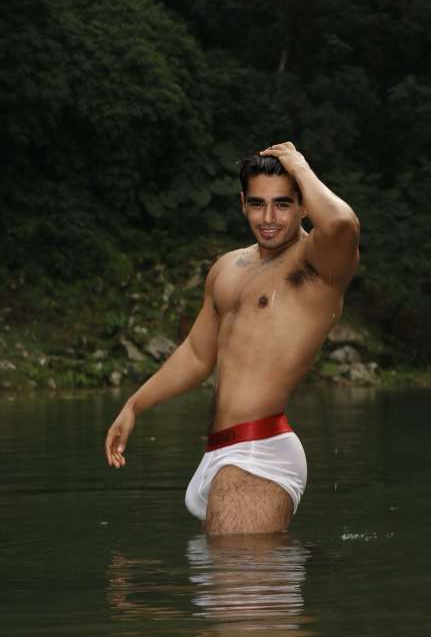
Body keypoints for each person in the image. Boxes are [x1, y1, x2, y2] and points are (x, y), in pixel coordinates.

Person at [105, 141, 360, 535]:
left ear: (304, 206)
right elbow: (196, 354)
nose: (269, 217)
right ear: (243, 204)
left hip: (261, 453)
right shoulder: (227, 268)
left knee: (236, 569)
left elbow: (342, 223)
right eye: (258, 204)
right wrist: (134, 405)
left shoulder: (316, 265)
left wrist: (299, 165)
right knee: (222, 572)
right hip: (219, 453)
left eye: (283, 204)